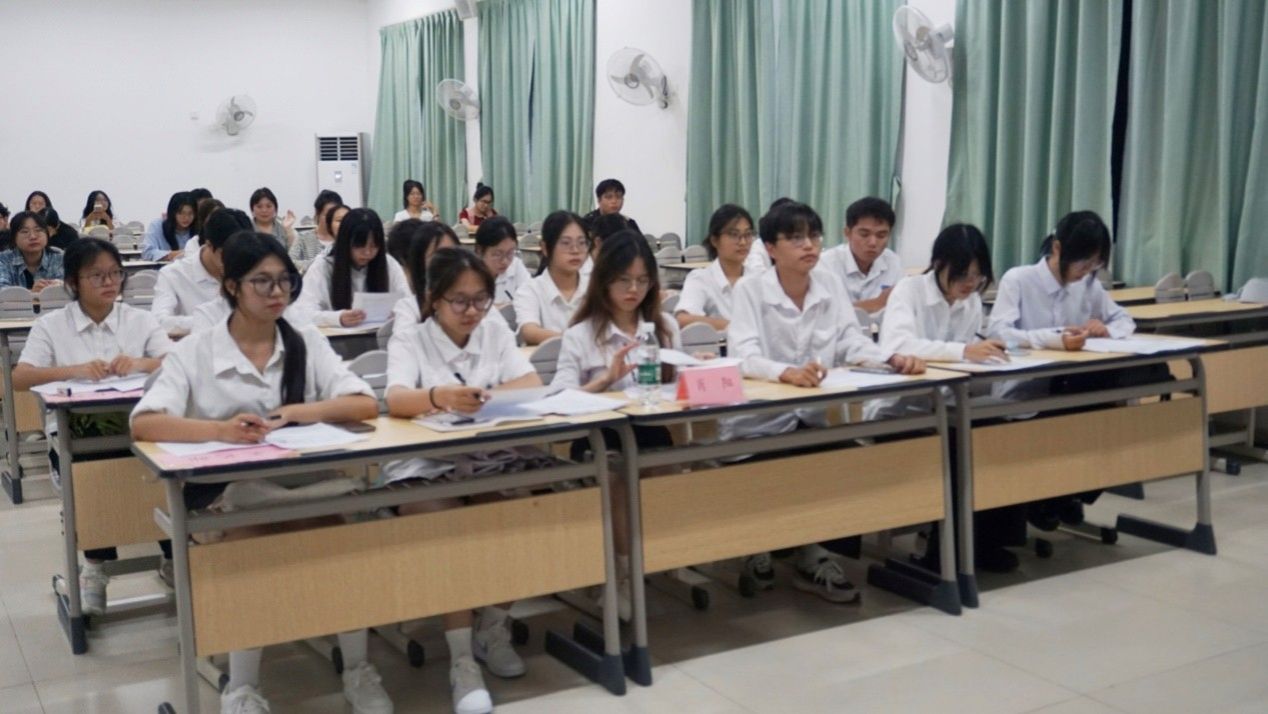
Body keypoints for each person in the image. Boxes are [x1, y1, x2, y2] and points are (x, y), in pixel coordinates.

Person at [132, 231, 392, 714]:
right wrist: (220, 431)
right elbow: (145, 422)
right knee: (251, 547)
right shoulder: (197, 350)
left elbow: (362, 403)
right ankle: (243, 686)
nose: (278, 293)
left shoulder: (304, 341)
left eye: (284, 281)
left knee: (340, 544)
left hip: (304, 484)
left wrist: (298, 413)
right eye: (262, 282)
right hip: (225, 494)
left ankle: (358, 668)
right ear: (232, 286)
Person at [725, 200, 924, 602]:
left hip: (813, 417)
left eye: (814, 236)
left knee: (844, 462)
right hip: (759, 423)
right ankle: (760, 544)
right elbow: (743, 355)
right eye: (796, 238)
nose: (809, 246)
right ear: (771, 247)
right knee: (782, 462)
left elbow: (850, 339)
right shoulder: (750, 290)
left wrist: (890, 358)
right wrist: (785, 372)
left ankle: (813, 552)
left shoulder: (829, 284)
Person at [385, 248, 541, 714]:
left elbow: (530, 384)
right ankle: (460, 660)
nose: (472, 311)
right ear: (434, 299)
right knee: (450, 528)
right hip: (425, 463)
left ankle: (491, 629)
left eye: (480, 300)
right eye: (459, 301)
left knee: (518, 511)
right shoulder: (412, 338)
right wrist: (440, 396)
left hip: (489, 458)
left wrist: (483, 396)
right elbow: (396, 399)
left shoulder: (493, 330)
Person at [13, 238, 174, 613]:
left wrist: (140, 363)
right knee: (93, 476)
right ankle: (95, 566)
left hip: (138, 424)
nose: (109, 282)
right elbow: (21, 377)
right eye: (97, 275)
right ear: (73, 282)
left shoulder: (140, 320)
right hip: (76, 431)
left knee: (159, 467)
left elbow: (174, 360)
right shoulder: (53, 325)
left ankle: (171, 555)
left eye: (115, 273)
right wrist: (74, 371)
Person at [294, 208, 410, 327]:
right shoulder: (324, 266)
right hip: (335, 336)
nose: (367, 252)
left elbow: (408, 302)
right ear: (345, 242)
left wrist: (399, 313)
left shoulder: (388, 264)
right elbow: (302, 312)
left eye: (374, 246)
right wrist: (337, 318)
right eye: (360, 245)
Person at [152, 208, 252, 332]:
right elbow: (159, 321)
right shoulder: (173, 275)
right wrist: (209, 321)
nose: (235, 261)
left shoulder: (252, 272)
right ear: (209, 245)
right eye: (229, 254)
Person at [674, 204, 755, 331]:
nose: (743, 242)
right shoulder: (701, 279)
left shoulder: (758, 278)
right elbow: (683, 319)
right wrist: (738, 328)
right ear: (714, 240)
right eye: (734, 235)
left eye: (748, 234)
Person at [513, 211, 589, 345]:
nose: (575, 250)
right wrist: (576, 342)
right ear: (545, 248)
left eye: (582, 243)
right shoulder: (530, 290)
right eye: (566, 243)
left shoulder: (595, 288)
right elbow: (530, 332)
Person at [819, 197, 904, 313]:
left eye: (881, 235)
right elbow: (822, 314)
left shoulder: (893, 262)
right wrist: (876, 304)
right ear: (847, 233)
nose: (873, 242)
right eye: (864, 234)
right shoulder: (826, 264)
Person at [473, 217, 531, 305]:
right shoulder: (468, 275)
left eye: (510, 253)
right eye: (497, 254)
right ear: (479, 251)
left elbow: (531, 297)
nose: (505, 261)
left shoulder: (516, 265)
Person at [0, 211, 64, 291]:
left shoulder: (60, 260)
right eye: (25, 231)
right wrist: (32, 294)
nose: (33, 236)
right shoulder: (3, 260)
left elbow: (68, 290)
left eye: (38, 230)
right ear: (14, 237)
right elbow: (2, 291)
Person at [289, 190, 342, 271]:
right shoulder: (303, 238)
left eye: (335, 215)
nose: (331, 219)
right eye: (327, 215)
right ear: (318, 214)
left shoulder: (344, 238)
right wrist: (318, 263)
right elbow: (289, 262)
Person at [141, 192, 197, 262]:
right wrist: (179, 254)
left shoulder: (199, 228)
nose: (186, 217)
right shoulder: (157, 225)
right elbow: (147, 253)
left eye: (190, 213)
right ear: (173, 212)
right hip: (162, 268)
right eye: (181, 213)